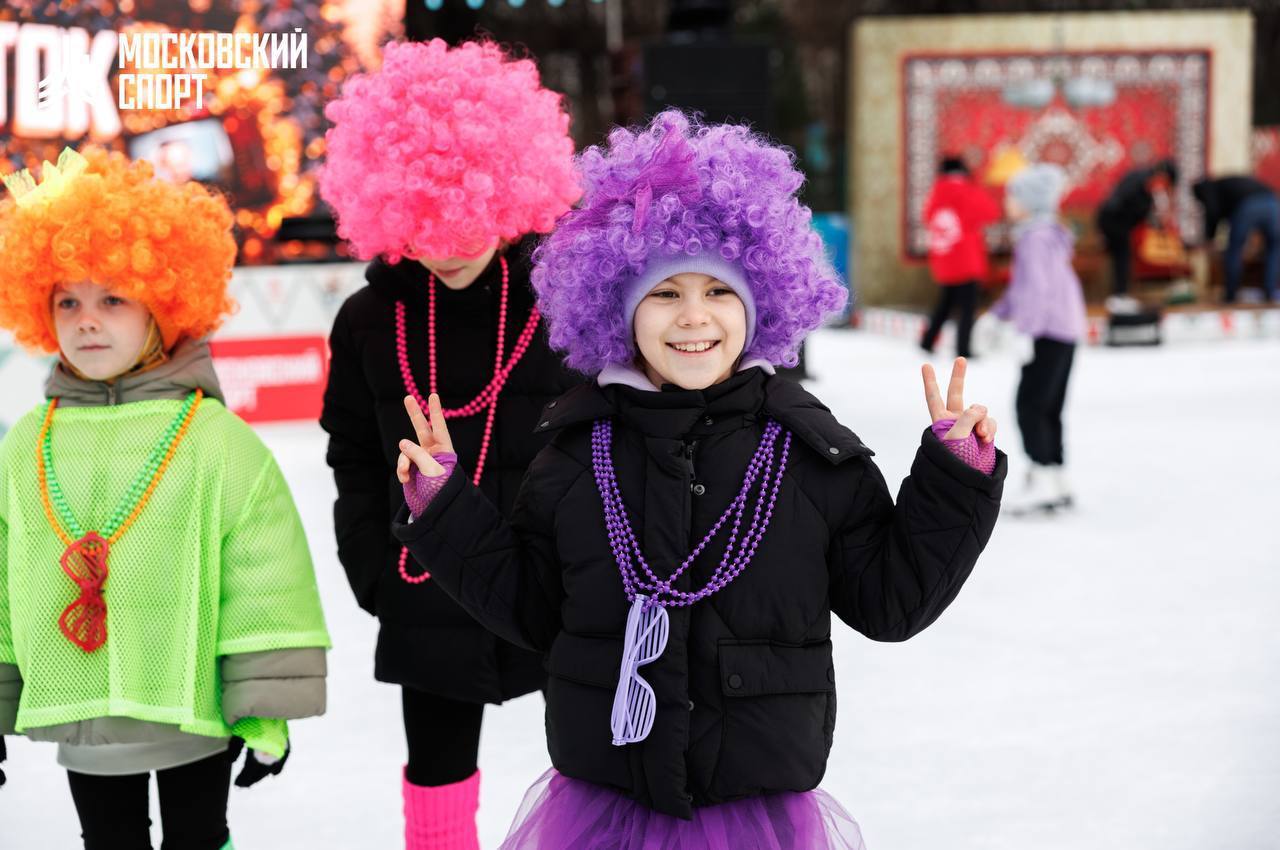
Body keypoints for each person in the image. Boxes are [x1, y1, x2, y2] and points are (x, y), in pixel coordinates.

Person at [391, 111, 1006, 849]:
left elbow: (890, 601)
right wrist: (446, 508)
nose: (693, 318)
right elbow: (531, 606)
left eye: (718, 292)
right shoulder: (575, 456)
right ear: (619, 309)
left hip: (752, 809)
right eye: (664, 294)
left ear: (759, 302)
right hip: (607, 806)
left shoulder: (811, 454)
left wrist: (953, 479)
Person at [0, 148, 330, 849]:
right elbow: (1, 577)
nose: (87, 321)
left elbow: (261, 577)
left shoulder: (215, 438)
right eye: (67, 301)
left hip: (192, 711)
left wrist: (263, 705)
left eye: (113, 298)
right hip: (83, 713)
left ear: (161, 305)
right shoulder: (25, 443)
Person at [317, 38, 582, 850]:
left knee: (593, 770)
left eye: (472, 215)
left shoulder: (564, 301)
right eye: (426, 220)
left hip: (563, 586)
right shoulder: (370, 320)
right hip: (425, 584)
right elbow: (352, 452)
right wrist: (371, 564)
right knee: (436, 778)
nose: (453, 242)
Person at [992, 164, 1087, 515]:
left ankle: (1042, 480)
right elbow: (1024, 289)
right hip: (1065, 329)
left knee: (1029, 406)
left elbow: (1038, 292)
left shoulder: (1034, 239)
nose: (1007, 202)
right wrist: (998, 314)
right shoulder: (1048, 235)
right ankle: (1057, 477)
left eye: (1013, 196)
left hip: (1047, 331)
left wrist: (1026, 333)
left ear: (1030, 201)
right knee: (1050, 407)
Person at [920, 156, 1000, 358]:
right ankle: (963, 348)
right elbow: (991, 213)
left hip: (944, 261)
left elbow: (928, 219)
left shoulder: (936, 194)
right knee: (967, 308)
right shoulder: (968, 191)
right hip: (967, 261)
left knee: (945, 304)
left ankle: (927, 341)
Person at [1096, 158, 1179, 313]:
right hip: (1113, 219)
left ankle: (1119, 295)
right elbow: (1122, 202)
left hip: (1116, 221)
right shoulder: (1142, 180)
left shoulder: (1148, 182)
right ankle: (1119, 297)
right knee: (1122, 256)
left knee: (1122, 257)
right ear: (1163, 175)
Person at [1191, 175, 1279, 303]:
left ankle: (1231, 294)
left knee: (1234, 248)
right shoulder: (1224, 184)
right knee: (1274, 248)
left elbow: (1212, 211)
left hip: (1249, 204)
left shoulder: (1208, 190)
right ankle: (1270, 293)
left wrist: (1209, 238)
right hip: (1272, 203)